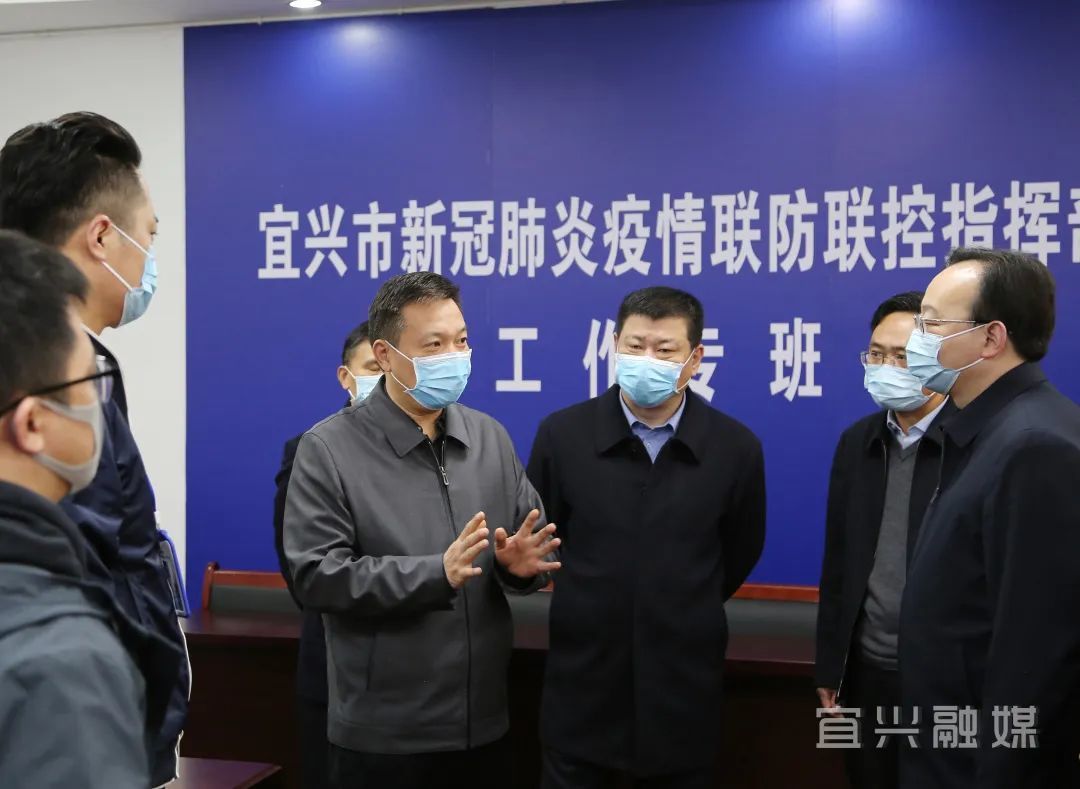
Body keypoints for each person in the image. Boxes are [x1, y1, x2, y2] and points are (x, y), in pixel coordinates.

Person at [284, 272, 560, 789]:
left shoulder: (489, 437)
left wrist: (518, 568)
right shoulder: (328, 449)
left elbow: (526, 539)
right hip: (385, 736)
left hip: (484, 724)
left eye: (461, 340)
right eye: (433, 345)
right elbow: (317, 576)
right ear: (385, 355)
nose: (453, 356)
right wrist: (435, 574)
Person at [0, 112, 189, 786]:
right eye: (149, 236)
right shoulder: (60, 386)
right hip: (73, 716)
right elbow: (97, 565)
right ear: (103, 235)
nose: (150, 259)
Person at [526, 286, 766, 789]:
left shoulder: (735, 447)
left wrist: (676, 597)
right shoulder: (562, 435)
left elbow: (740, 549)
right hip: (583, 686)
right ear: (614, 344)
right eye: (635, 346)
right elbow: (543, 535)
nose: (647, 360)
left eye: (665, 349)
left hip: (681, 688)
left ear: (695, 359)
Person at [899, 248, 1080, 788]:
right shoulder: (984, 428)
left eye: (932, 324)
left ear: (991, 338)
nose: (916, 340)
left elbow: (1035, 653)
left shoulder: (1034, 445)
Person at [814, 291, 953, 789]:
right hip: (867, 672)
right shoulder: (857, 442)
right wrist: (830, 667)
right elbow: (839, 562)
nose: (886, 367)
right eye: (876, 354)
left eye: (903, 356)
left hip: (948, 679)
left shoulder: (975, 442)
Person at [272, 320, 381, 789]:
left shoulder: (439, 449)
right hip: (336, 672)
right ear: (345, 377)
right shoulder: (310, 450)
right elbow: (301, 570)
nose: (385, 380)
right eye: (373, 368)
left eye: (393, 368)